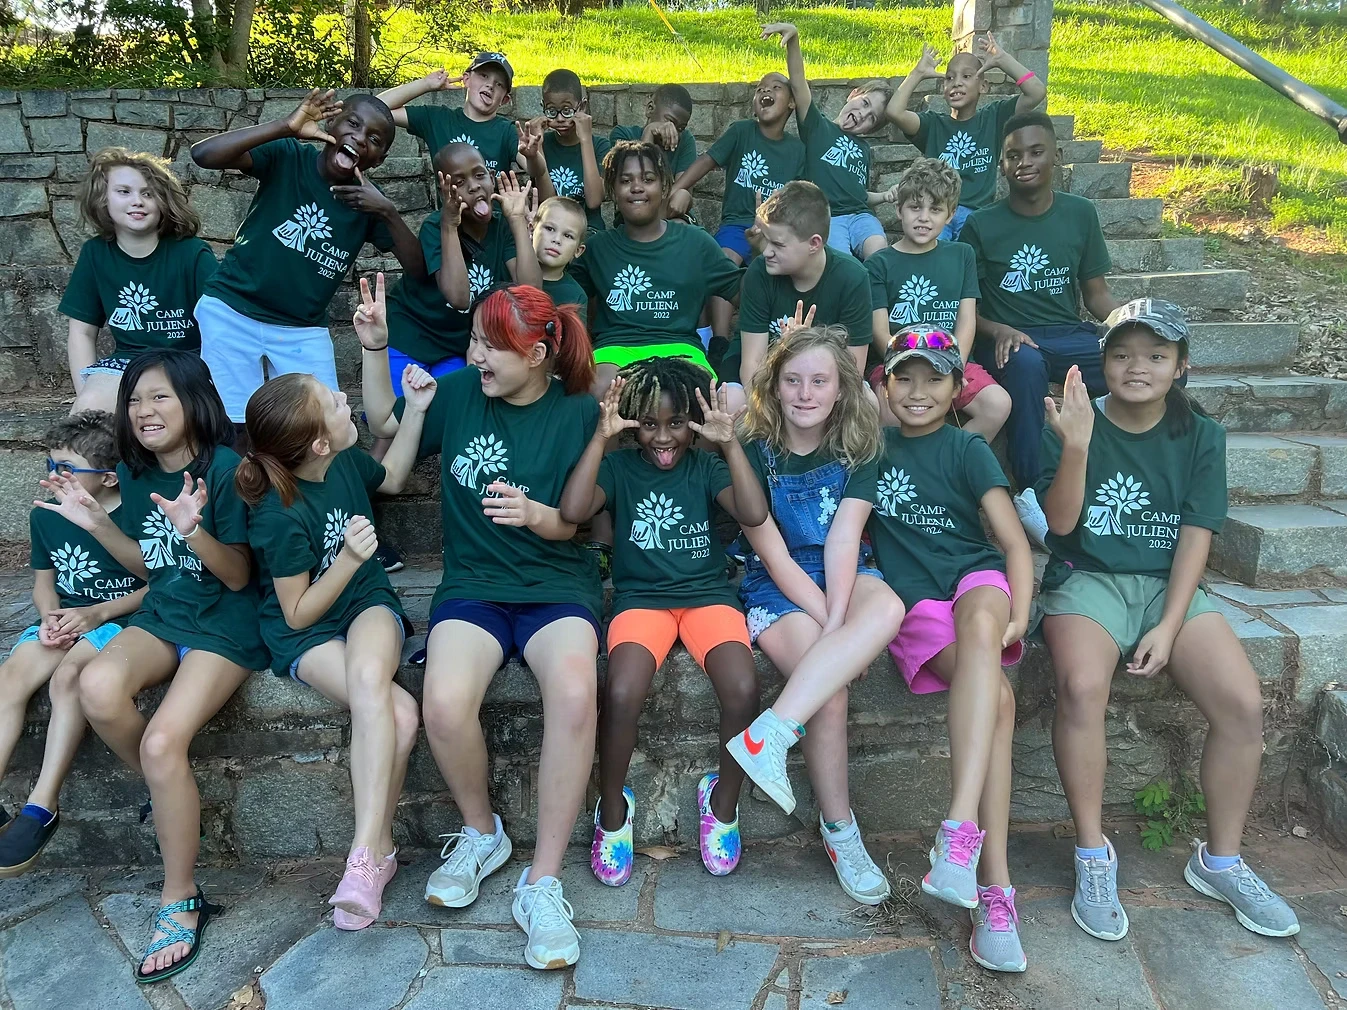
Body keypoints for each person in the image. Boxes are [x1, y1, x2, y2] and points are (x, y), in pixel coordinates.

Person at [1036, 298, 1299, 944]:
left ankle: (1221, 860)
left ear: (1180, 366)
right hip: (1086, 578)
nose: (1136, 366)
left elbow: (1195, 534)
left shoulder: (1200, 434)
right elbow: (1061, 527)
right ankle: (1092, 855)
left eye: (1155, 355)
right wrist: (1073, 446)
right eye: (1121, 353)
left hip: (1166, 586)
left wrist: (1168, 622)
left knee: (1241, 703)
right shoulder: (1073, 422)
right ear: (1102, 362)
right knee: (1079, 688)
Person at [38, 349, 267, 983]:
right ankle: (171, 796)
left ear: (194, 400)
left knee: (165, 741)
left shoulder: (226, 470)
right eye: (135, 400)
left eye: (159, 397)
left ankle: (181, 896)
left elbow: (239, 574)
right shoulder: (137, 475)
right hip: (166, 612)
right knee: (96, 686)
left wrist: (195, 531)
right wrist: (94, 522)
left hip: (224, 623)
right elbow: (151, 566)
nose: (143, 411)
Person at [399, 285, 602, 970]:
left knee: (575, 694)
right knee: (446, 703)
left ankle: (541, 882)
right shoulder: (457, 395)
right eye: (475, 340)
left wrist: (542, 515)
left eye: (492, 345)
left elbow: (594, 521)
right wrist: (374, 353)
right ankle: (482, 833)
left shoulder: (578, 415)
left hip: (555, 587)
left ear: (539, 355)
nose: (474, 354)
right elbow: (384, 438)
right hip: (475, 589)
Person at [233, 275, 437, 930]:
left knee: (371, 680)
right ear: (319, 444)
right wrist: (348, 556)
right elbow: (295, 614)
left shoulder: (348, 463)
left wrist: (417, 410)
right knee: (399, 717)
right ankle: (376, 850)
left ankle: (361, 854)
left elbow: (398, 475)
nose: (347, 400)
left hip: (366, 601)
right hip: (303, 629)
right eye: (335, 403)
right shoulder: (276, 514)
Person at [559, 358, 768, 884]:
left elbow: (753, 513)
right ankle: (613, 811)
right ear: (633, 422)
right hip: (641, 600)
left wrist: (728, 443)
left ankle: (722, 804)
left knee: (743, 688)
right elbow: (573, 510)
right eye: (649, 423)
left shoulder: (705, 466)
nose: (663, 436)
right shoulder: (619, 466)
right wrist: (600, 441)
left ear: (691, 423)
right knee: (623, 692)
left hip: (706, 596)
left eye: (675, 423)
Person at [866, 327, 1032, 972]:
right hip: (917, 606)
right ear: (883, 384)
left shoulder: (968, 448)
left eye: (934, 378)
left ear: (959, 388)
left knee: (984, 622)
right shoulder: (870, 454)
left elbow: (1014, 543)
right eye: (903, 376)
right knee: (1001, 704)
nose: (917, 391)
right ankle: (994, 890)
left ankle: (959, 832)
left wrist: (1021, 608)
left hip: (976, 584)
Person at [723, 325, 906, 904]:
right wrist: (829, 626)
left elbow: (845, 538)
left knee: (890, 606)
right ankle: (840, 830)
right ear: (774, 388)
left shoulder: (860, 447)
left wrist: (837, 621)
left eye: (819, 381)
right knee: (829, 691)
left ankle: (770, 734)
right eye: (793, 380)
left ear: (840, 390)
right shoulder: (754, 449)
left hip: (848, 569)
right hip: (778, 582)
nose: (805, 393)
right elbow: (772, 551)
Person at [190, 89, 425, 424]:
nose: (358, 138)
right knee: (234, 424)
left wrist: (388, 213)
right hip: (232, 310)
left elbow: (417, 269)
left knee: (327, 423)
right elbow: (204, 154)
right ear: (331, 122)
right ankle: (243, 477)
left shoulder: (370, 203)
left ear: (378, 160)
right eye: (353, 124)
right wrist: (285, 126)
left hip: (301, 329)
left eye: (373, 139)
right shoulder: (289, 157)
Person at [0, 411, 147, 876]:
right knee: (10, 680)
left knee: (68, 679)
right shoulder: (45, 516)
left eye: (66, 469)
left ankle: (42, 806)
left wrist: (96, 614)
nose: (53, 477)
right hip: (66, 616)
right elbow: (44, 584)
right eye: (50, 466)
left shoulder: (134, 511)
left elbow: (157, 582)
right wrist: (49, 619)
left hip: (119, 617)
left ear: (107, 477)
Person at [961, 111, 1119, 541]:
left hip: (1068, 334)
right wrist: (1000, 330)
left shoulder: (1080, 214)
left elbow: (1097, 295)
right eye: (1013, 155)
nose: (1024, 162)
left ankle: (1131, 466)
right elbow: (966, 304)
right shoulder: (982, 224)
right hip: (1007, 340)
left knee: (1145, 364)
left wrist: (1133, 325)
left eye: (1035, 151)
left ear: (1058, 156)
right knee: (1027, 365)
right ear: (1002, 164)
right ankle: (1032, 491)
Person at [570, 140, 743, 395]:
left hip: (680, 347)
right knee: (594, 389)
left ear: (664, 186)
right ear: (613, 190)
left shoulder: (695, 242)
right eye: (626, 181)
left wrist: (766, 252)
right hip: (615, 348)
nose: (637, 187)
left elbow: (742, 293)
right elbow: (560, 289)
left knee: (708, 399)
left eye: (648, 179)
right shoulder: (597, 248)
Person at [61, 149, 217, 414]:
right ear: (103, 199)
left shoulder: (192, 253)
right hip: (128, 363)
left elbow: (221, 324)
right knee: (86, 416)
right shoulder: (95, 254)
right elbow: (82, 332)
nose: (137, 201)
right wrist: (86, 396)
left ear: (163, 201)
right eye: (124, 192)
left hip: (187, 362)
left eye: (148, 193)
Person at [866, 159, 1010, 439]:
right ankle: (901, 471)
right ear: (898, 209)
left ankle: (952, 455)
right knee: (887, 412)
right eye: (915, 207)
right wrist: (905, 363)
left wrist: (956, 366)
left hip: (952, 360)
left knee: (998, 403)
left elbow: (966, 321)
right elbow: (879, 331)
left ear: (951, 214)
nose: (924, 217)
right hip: (898, 363)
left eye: (935, 209)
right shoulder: (879, 263)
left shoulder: (961, 255)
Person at [383, 142, 539, 399]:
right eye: (460, 183)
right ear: (445, 191)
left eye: (480, 175)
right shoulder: (435, 227)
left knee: (450, 408)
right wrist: (449, 226)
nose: (474, 186)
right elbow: (458, 297)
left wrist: (516, 221)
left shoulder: (502, 225)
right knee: (396, 418)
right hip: (410, 336)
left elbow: (530, 291)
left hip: (454, 346)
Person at [668, 72, 806, 341]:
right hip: (737, 223)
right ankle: (719, 340)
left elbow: (801, 195)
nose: (765, 91)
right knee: (724, 265)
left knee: (777, 274)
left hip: (776, 230)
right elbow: (706, 161)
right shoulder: (741, 131)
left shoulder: (798, 149)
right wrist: (677, 188)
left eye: (776, 88)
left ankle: (777, 338)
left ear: (791, 103)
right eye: (760, 89)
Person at [720, 181, 871, 411]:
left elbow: (853, 370)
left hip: (820, 381)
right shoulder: (759, 273)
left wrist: (802, 352)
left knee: (869, 402)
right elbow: (751, 363)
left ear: (814, 243)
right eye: (766, 240)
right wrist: (774, 415)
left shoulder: (852, 278)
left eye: (778, 244)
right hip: (764, 375)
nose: (767, 251)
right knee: (730, 400)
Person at [888, 34, 1048, 240]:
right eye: (949, 78)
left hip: (977, 216)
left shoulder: (994, 118)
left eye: (966, 76)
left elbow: (1036, 92)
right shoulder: (932, 125)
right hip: (937, 212)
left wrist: (1002, 59)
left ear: (983, 86)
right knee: (935, 257)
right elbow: (894, 112)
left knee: (971, 258)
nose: (956, 83)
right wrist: (917, 73)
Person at [761, 22, 891, 260]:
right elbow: (799, 84)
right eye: (864, 103)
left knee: (879, 252)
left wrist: (883, 196)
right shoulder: (818, 128)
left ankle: (876, 296)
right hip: (831, 218)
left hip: (862, 216)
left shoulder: (864, 150)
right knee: (842, 262)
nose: (862, 114)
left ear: (871, 129)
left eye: (871, 117)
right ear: (853, 94)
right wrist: (794, 40)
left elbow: (858, 193)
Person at [379, 54, 520, 174]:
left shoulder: (508, 131)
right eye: (484, 76)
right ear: (466, 79)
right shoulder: (437, 119)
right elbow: (374, 107)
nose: (490, 85)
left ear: (505, 99)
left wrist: (533, 156)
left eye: (499, 84)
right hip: (448, 207)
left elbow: (535, 169)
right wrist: (425, 85)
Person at [529, 69, 611, 236]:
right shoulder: (544, 145)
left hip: (590, 230)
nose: (559, 119)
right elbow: (548, 203)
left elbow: (594, 200)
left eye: (567, 110)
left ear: (582, 106)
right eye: (552, 111)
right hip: (553, 230)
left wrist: (586, 140)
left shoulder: (600, 146)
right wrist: (538, 148)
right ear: (542, 107)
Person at [609, 84, 699, 209]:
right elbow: (638, 186)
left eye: (681, 128)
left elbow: (680, 199)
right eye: (669, 122)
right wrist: (649, 133)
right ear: (650, 108)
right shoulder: (622, 135)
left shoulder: (685, 140)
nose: (673, 130)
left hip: (670, 215)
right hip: (633, 213)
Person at [533, 197, 590, 323]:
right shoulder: (510, 273)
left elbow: (575, 341)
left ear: (578, 251)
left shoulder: (575, 296)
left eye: (568, 236)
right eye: (549, 229)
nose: (557, 239)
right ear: (532, 229)